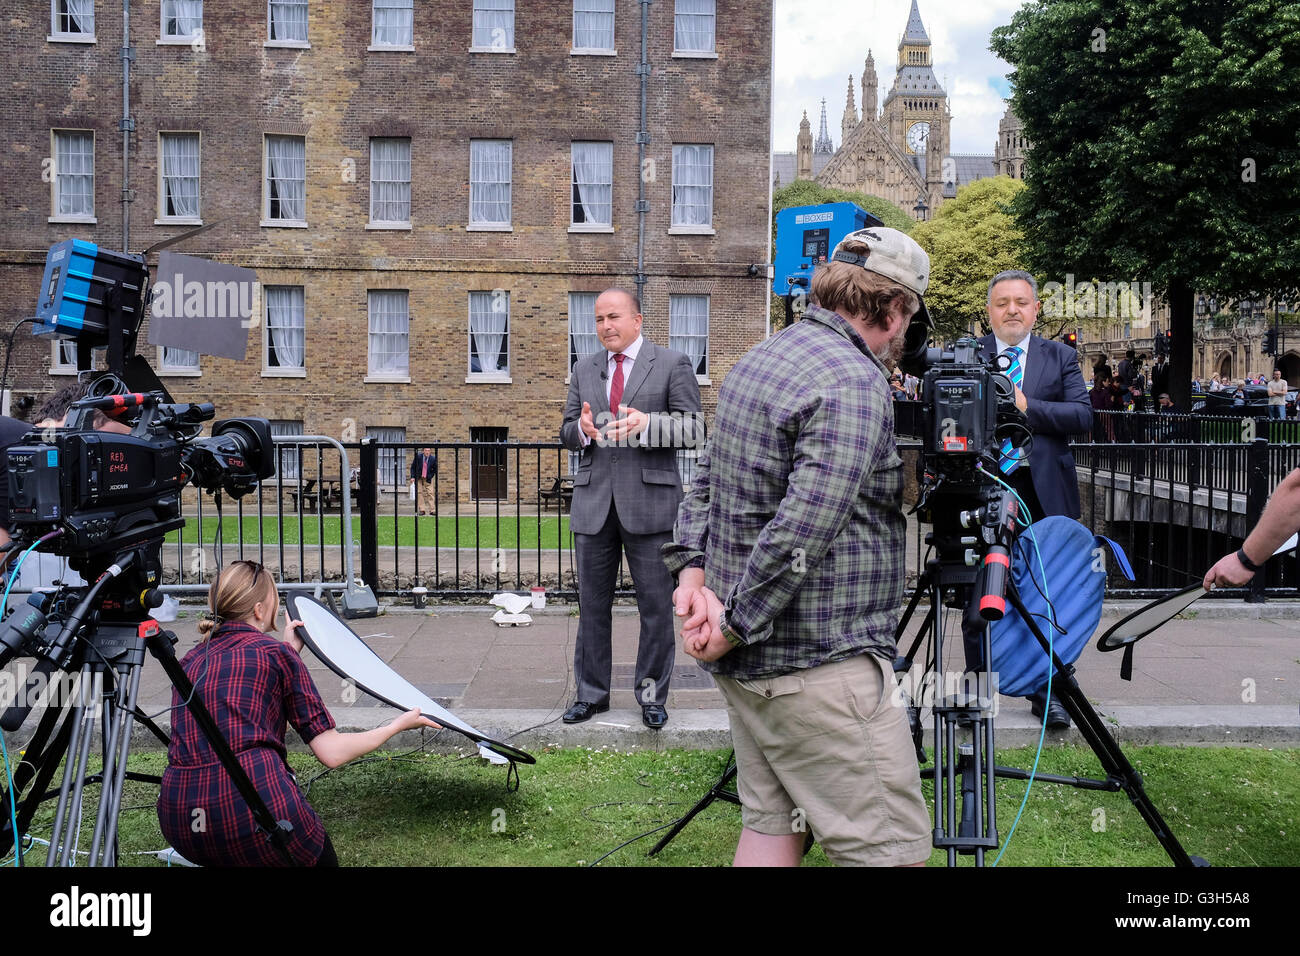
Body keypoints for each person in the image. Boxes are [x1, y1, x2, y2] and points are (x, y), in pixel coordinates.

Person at [663, 228, 931, 867]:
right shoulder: (854, 381)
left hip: (752, 667)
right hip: (817, 663)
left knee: (774, 827)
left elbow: (708, 478)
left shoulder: (764, 355)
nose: (904, 338)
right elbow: (801, 531)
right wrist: (734, 624)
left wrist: (692, 579)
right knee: (891, 852)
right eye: (908, 320)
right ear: (892, 309)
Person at [157, 560, 437, 866]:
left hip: (181, 822)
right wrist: (397, 725)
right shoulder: (275, 655)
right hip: (253, 812)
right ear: (261, 610)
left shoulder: (189, 662)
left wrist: (289, 651)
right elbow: (332, 752)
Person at [558, 288, 703, 729]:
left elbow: (694, 428)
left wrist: (648, 424)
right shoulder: (584, 368)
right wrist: (581, 430)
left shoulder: (673, 363)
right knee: (592, 606)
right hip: (594, 504)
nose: (605, 326)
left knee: (657, 607)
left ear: (637, 320)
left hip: (651, 505)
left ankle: (652, 696)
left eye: (614, 317)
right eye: (599, 319)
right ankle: (591, 695)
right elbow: (565, 429)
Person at [973, 270, 1092, 729]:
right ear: (989, 310)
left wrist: (1026, 406)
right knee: (980, 589)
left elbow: (1081, 415)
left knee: (1048, 591)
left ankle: (1048, 692)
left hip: (1042, 491)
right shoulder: (972, 354)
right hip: (985, 486)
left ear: (1035, 309)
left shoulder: (1059, 355)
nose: (1012, 311)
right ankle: (979, 687)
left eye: (1021, 302)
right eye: (1002, 302)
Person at [409, 447, 437, 515]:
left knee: (430, 493)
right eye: (426, 450)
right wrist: (412, 477)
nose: (427, 452)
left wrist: (430, 476)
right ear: (423, 451)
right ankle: (422, 510)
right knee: (419, 493)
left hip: (428, 478)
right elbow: (413, 467)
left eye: (428, 450)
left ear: (430, 451)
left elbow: (435, 469)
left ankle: (432, 510)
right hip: (419, 477)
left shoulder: (433, 458)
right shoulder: (418, 457)